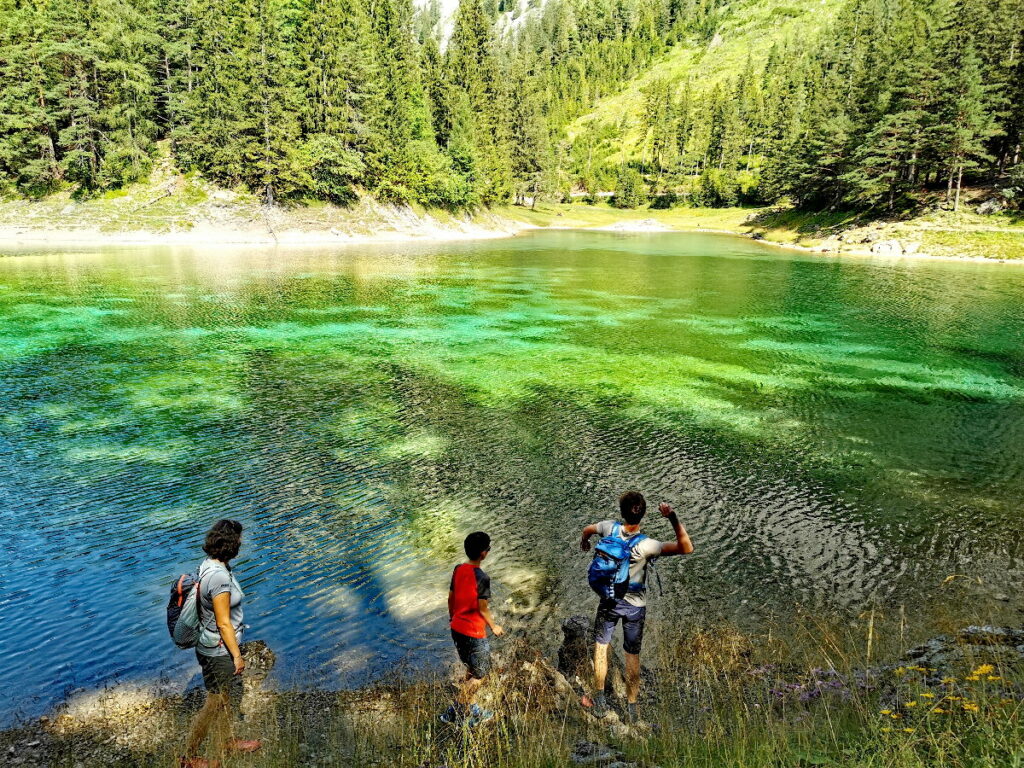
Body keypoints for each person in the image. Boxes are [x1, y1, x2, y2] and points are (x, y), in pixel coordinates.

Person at [579, 491, 693, 723]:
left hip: (609, 601)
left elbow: (587, 530)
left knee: (601, 648)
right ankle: (632, 709)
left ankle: (600, 702)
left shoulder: (609, 528)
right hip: (635, 607)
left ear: (621, 512)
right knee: (632, 655)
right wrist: (672, 517)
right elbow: (686, 547)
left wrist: (585, 542)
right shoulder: (647, 545)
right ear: (643, 514)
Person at [182, 519, 261, 768]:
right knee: (214, 702)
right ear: (231, 544)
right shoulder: (218, 578)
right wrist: (237, 656)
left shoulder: (212, 565)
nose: (242, 543)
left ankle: (227, 740)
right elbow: (223, 622)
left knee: (229, 695)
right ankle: (188, 757)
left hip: (216, 645)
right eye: (239, 540)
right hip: (218, 649)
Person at [440, 531, 504, 726]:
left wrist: (453, 617)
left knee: (471, 667)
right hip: (474, 633)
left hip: (456, 628)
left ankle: (471, 708)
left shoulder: (458, 569)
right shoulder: (482, 577)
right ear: (484, 553)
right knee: (480, 675)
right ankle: (454, 713)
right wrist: (495, 627)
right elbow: (482, 609)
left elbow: (450, 598)